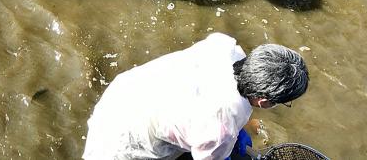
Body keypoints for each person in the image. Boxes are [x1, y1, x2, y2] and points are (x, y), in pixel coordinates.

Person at [83, 33, 309, 160]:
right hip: (125, 140)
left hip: (124, 94)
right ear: (264, 101)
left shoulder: (226, 47)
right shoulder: (220, 129)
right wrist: (226, 147)